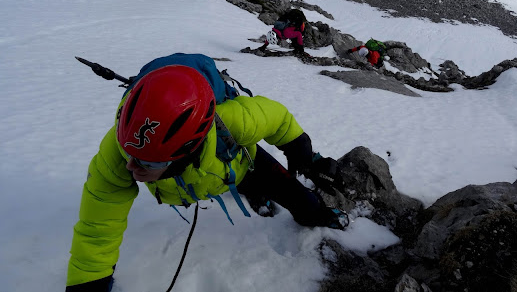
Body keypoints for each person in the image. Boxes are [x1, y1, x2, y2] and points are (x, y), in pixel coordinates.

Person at [65, 54, 346, 291]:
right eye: (130, 155)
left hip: (239, 162)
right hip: (215, 170)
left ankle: (308, 211)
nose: (130, 166)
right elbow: (97, 230)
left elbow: (277, 118)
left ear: (184, 153)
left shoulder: (234, 121)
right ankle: (255, 192)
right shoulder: (117, 153)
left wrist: (301, 151)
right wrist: (88, 284)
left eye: (147, 163)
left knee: (300, 200)